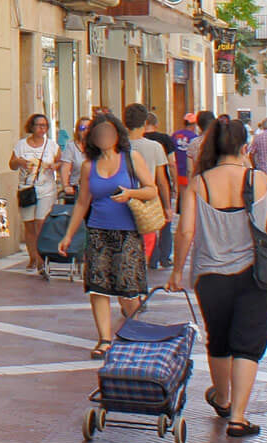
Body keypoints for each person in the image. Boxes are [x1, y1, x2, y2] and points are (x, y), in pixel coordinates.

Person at [168, 119, 267, 438]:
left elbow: (185, 230)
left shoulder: (200, 183)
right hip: (254, 275)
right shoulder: (260, 180)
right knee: (248, 346)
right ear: (245, 147)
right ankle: (238, 416)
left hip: (210, 275)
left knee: (219, 339)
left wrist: (176, 271)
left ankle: (222, 398)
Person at [58, 114, 164, 357]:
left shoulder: (131, 159)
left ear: (118, 135)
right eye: (99, 134)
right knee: (98, 287)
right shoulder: (88, 165)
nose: (104, 138)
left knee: (128, 290)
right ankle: (104, 339)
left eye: (109, 133)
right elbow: (83, 202)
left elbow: (151, 190)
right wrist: (69, 235)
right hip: (97, 231)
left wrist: (130, 194)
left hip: (127, 232)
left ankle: (134, 329)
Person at [124, 104, 173, 269]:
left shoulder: (118, 146)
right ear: (145, 122)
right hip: (146, 202)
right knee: (145, 247)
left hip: (122, 200)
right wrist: (167, 206)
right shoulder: (155, 147)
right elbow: (161, 181)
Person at [11, 113, 60, 276]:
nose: (42, 128)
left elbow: (60, 162)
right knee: (29, 225)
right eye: (39, 125)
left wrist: (54, 166)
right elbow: (11, 164)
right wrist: (19, 162)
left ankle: (40, 258)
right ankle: (32, 256)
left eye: (45, 125)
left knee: (41, 224)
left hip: (46, 189)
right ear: (31, 126)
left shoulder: (51, 145)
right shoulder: (21, 145)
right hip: (26, 189)